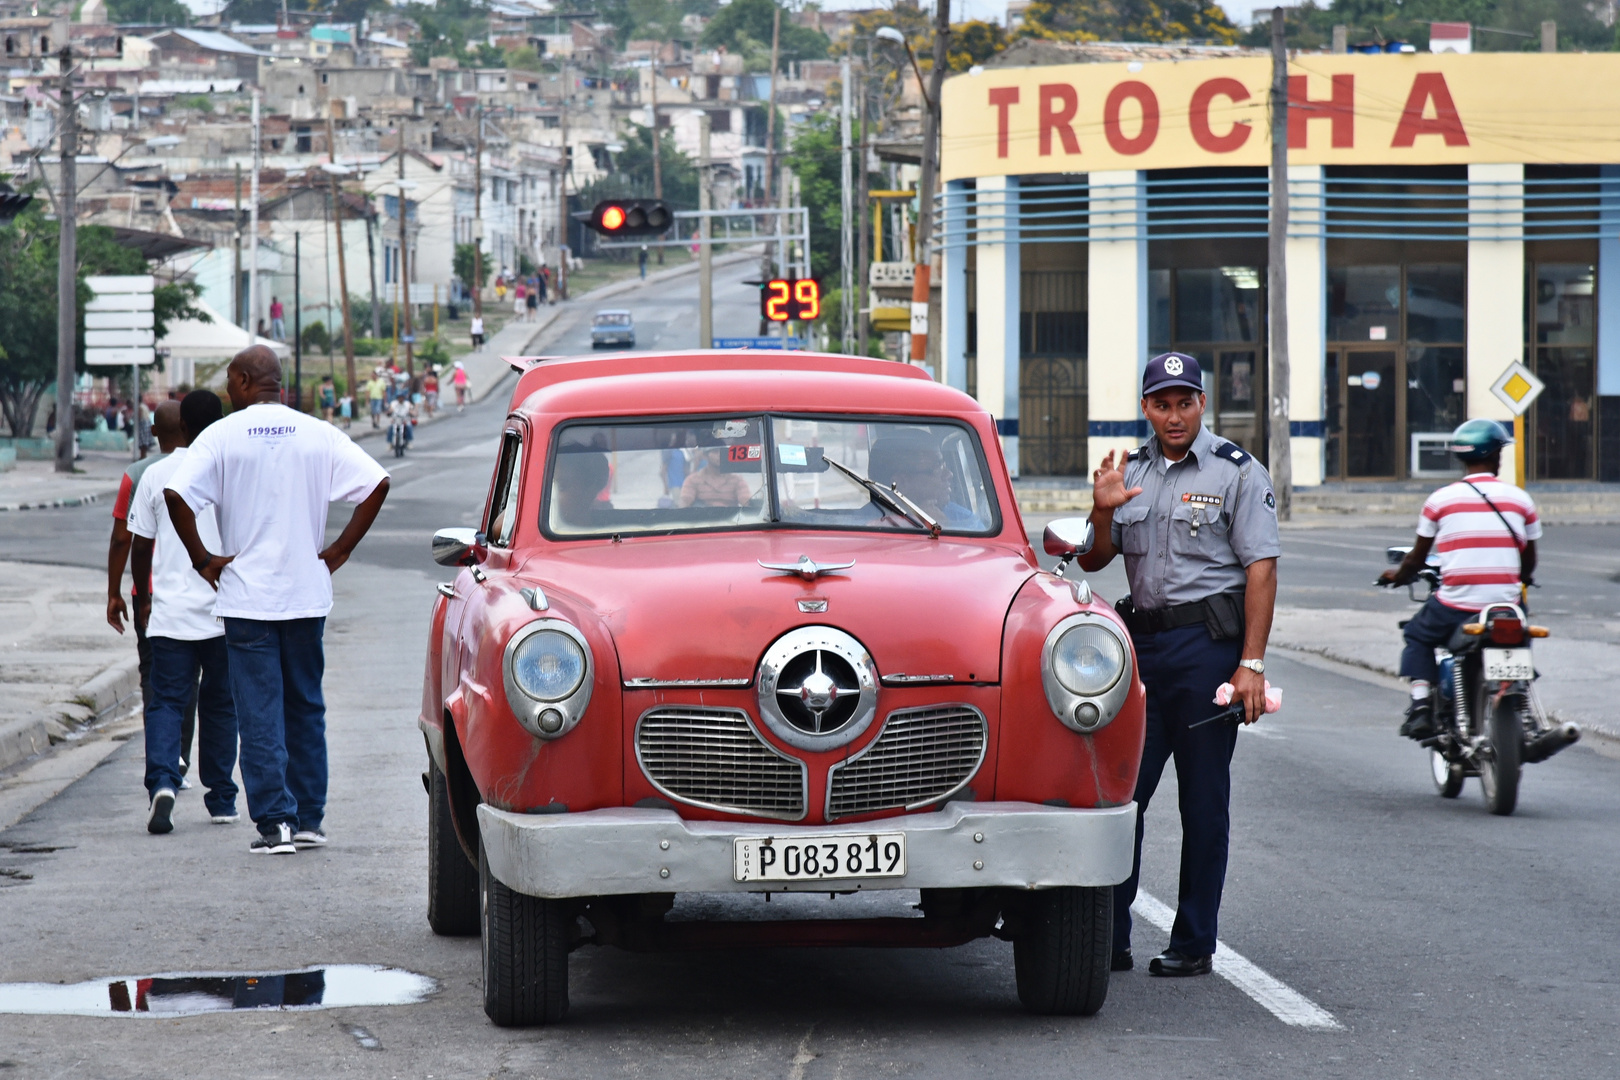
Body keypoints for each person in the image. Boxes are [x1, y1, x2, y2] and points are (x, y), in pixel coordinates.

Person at [1076, 351, 1280, 979]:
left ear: (1201, 403)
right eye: (1161, 404)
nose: (1173, 415)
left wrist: (1251, 663)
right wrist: (1104, 510)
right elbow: (1092, 559)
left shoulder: (1237, 472)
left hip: (1205, 651)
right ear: (1145, 407)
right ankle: (1108, 936)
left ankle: (1193, 941)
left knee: (1203, 799)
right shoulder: (1128, 470)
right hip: (1140, 649)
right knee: (1120, 798)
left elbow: (1262, 570)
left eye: (1184, 402)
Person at [164, 345, 390, 855]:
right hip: (306, 595)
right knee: (305, 706)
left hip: (246, 599)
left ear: (246, 381)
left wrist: (204, 559)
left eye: (229, 381)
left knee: (259, 711)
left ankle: (275, 824)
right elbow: (376, 482)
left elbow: (176, 496)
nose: (226, 391)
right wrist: (340, 550)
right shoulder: (318, 433)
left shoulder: (221, 436)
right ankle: (309, 819)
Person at [1380, 419, 1539, 740]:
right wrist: (1519, 578)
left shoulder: (1440, 500)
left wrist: (1398, 576)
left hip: (1455, 605)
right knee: (1520, 629)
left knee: (1417, 634)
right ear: (1497, 456)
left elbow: (1417, 557)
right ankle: (1524, 707)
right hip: (1504, 605)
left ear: (1460, 457)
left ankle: (1421, 706)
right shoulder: (1521, 500)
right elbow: (1529, 559)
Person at [128, 391, 238, 834]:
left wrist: (142, 597)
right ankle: (222, 798)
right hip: (225, 612)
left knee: (166, 702)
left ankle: (162, 781)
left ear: (182, 427)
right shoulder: (232, 473)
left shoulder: (156, 474)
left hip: (170, 615)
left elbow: (140, 545)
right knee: (220, 704)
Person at [107, 401, 196, 785]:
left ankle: (163, 757)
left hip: (150, 594)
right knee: (189, 681)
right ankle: (180, 756)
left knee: (154, 678)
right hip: (199, 594)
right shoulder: (204, 466)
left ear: (154, 433)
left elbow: (122, 539)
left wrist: (115, 593)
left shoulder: (137, 474)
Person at [866, 435, 984, 528]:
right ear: (901, 482)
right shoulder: (860, 526)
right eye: (937, 468)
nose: (949, 474)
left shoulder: (964, 520)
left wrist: (948, 528)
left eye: (944, 465)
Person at [678, 445, 754, 508]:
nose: (719, 455)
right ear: (705, 456)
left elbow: (746, 501)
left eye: (722, 452)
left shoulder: (737, 480)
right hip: (702, 522)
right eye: (715, 452)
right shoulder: (692, 480)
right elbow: (685, 502)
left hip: (730, 523)